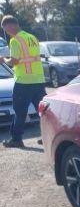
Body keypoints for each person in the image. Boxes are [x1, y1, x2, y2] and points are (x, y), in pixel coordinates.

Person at [0, 15, 46, 148]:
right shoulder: (32, 37)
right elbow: (29, 57)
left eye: (5, 29)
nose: (6, 32)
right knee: (43, 111)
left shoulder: (15, 40)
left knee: (19, 111)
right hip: (39, 79)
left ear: (10, 25)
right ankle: (47, 136)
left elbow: (14, 61)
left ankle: (16, 139)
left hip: (24, 81)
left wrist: (4, 60)